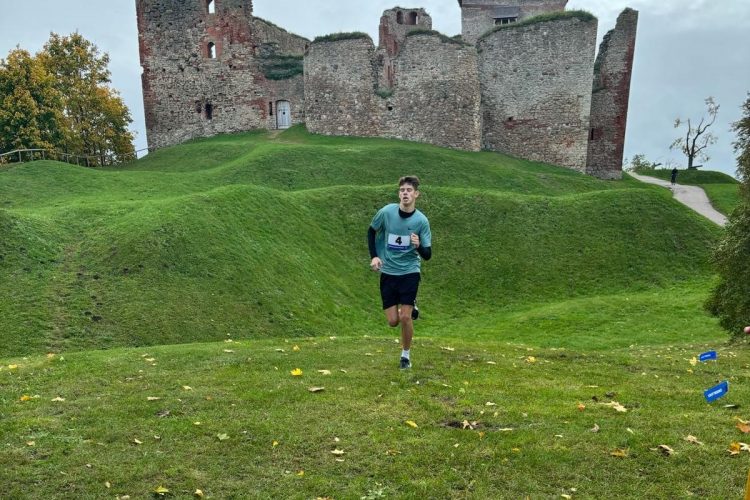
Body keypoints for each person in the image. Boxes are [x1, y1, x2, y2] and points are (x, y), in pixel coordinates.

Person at [368, 176, 432, 370]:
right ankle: (409, 306)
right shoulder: (386, 213)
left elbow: (427, 255)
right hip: (388, 271)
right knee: (393, 321)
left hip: (409, 272)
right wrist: (375, 256)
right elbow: (371, 231)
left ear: (416, 194)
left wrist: (418, 245)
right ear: (399, 194)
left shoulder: (421, 221)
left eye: (409, 190)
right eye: (402, 190)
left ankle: (405, 355)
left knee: (405, 317)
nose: (405, 193)